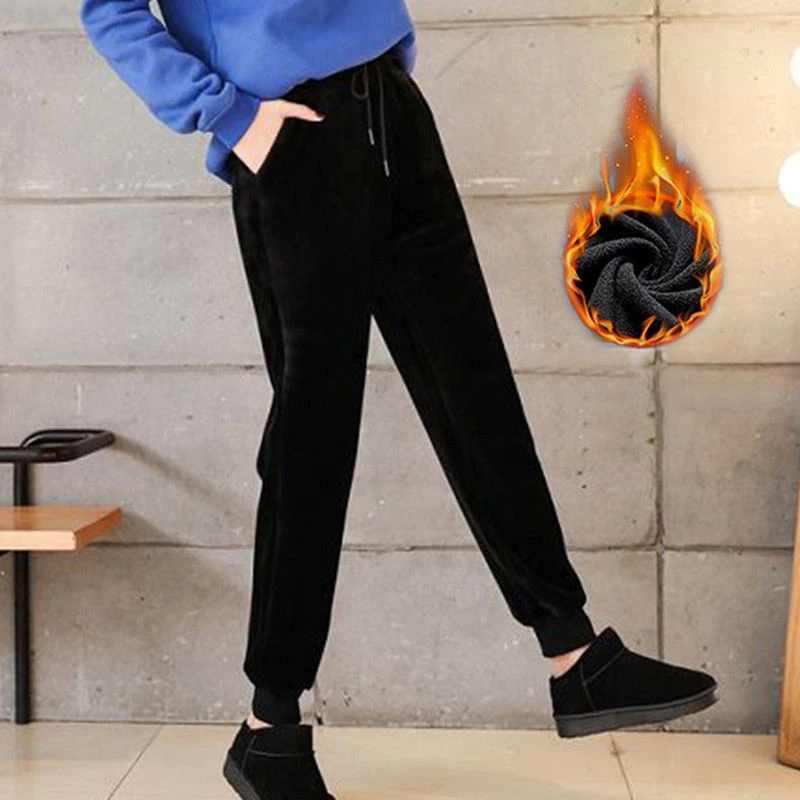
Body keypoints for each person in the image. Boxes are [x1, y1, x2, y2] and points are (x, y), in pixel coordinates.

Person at [79, 2, 719, 799]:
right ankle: (270, 727)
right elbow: (107, 10)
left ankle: (574, 656)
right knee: (314, 439)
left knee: (475, 393)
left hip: (393, 111)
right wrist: (233, 117)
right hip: (294, 140)